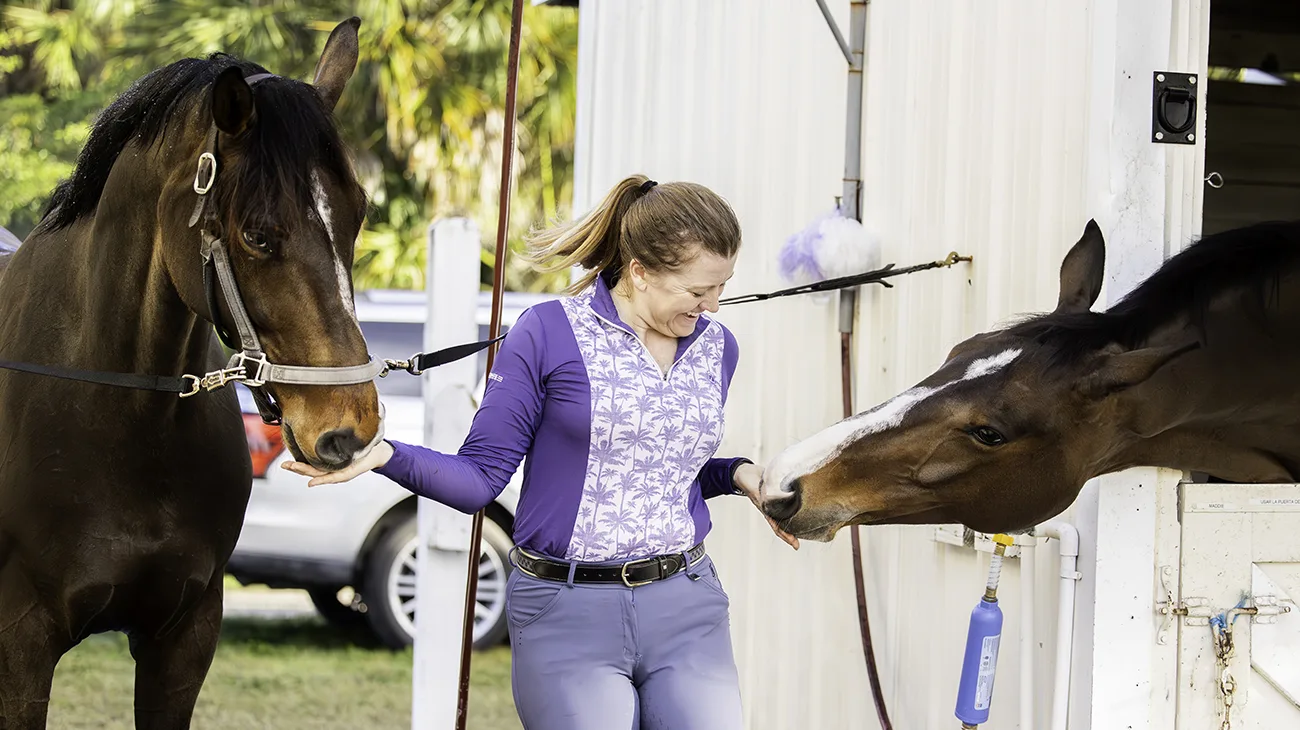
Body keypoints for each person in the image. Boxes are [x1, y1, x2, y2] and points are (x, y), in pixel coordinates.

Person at [282, 173, 797, 730]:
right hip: (568, 611)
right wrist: (386, 455)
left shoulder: (718, 349)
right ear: (641, 272)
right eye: (698, 291)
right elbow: (480, 477)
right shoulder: (548, 333)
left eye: (721, 287)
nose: (714, 306)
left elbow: (666, 467)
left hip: (687, 604)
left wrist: (738, 473)